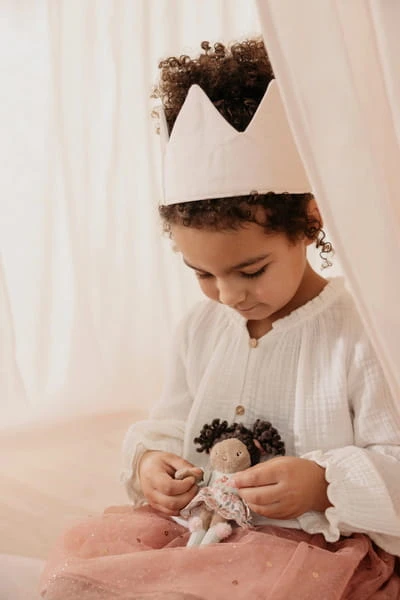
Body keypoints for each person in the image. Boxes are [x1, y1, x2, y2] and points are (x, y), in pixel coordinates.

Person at [40, 39, 400, 600]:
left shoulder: (361, 331)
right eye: (202, 273)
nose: (228, 295)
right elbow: (170, 422)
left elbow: (393, 459)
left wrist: (323, 485)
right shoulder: (200, 329)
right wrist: (153, 463)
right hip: (200, 534)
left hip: (309, 552)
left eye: (251, 270)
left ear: (309, 222)